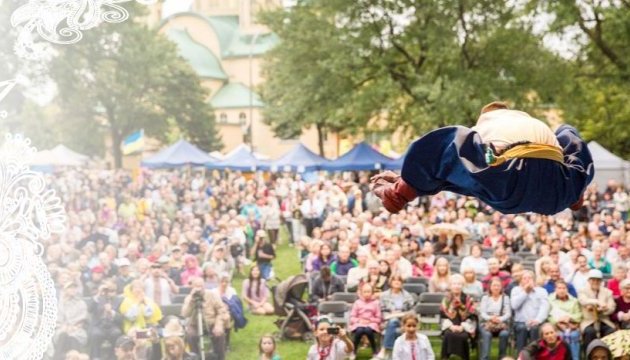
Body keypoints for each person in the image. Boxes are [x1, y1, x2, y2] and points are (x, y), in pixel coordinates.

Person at [371, 102, 593, 215]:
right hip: (559, 190)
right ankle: (576, 197)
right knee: (567, 133)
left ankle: (399, 193)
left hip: (510, 183)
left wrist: (410, 182)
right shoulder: (527, 121)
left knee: (452, 141)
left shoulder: (484, 127)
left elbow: (453, 163)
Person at [181, 276, 230, 360]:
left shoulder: (212, 295)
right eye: (196, 286)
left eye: (201, 286)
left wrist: (218, 324)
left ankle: (220, 357)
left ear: (204, 286)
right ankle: (196, 357)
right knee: (190, 335)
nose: (199, 288)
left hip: (211, 322)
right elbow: (185, 314)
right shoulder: (189, 298)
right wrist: (192, 300)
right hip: (195, 323)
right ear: (192, 287)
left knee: (219, 334)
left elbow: (222, 310)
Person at [511, 270, 550, 354]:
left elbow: (544, 308)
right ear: (521, 280)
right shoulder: (516, 290)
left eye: (530, 278)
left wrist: (538, 320)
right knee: (522, 328)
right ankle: (521, 356)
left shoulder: (542, 291)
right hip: (520, 322)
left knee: (535, 328)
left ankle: (535, 355)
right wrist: (525, 292)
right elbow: (514, 306)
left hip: (537, 321)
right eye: (525, 278)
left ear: (534, 280)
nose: (527, 280)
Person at [378, 275, 416, 359]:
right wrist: (392, 315)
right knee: (393, 321)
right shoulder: (384, 295)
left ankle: (384, 349)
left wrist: (400, 314)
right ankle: (392, 352)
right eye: (394, 280)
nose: (397, 282)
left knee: (394, 320)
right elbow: (382, 311)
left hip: (404, 321)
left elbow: (412, 311)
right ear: (390, 282)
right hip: (388, 321)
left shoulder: (407, 296)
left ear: (402, 283)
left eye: (399, 280)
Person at [440, 274, 476, 360]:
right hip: (450, 326)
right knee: (448, 334)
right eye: (454, 284)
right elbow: (442, 316)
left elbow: (472, 316)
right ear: (450, 286)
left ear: (462, 285)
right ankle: (445, 357)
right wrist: (451, 326)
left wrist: (462, 327)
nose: (456, 286)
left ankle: (464, 357)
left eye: (459, 284)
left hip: (465, 327)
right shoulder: (446, 300)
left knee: (463, 336)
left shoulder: (468, 299)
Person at [578, 269, 616, 347]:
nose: (595, 282)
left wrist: (604, 310)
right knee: (589, 332)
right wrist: (597, 302)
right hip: (589, 321)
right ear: (589, 281)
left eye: (598, 280)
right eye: (593, 280)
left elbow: (612, 307)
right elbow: (583, 301)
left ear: (601, 281)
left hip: (603, 320)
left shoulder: (608, 292)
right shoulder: (582, 290)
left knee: (610, 331)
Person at [87, 282, 123, 359]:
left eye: (112, 291)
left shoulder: (119, 300)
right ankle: (96, 357)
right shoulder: (98, 299)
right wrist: (99, 293)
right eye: (108, 291)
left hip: (112, 326)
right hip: (99, 325)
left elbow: (121, 319)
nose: (110, 293)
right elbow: (89, 309)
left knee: (116, 333)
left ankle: (113, 357)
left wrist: (111, 312)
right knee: (95, 334)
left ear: (115, 292)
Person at [548, 280, 582, 360]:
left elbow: (579, 315)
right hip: (557, 327)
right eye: (559, 288)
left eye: (564, 288)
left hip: (571, 326)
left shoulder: (574, 301)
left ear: (567, 290)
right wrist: (558, 321)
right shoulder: (550, 300)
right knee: (560, 336)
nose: (562, 290)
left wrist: (569, 317)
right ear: (555, 289)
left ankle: (575, 358)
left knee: (574, 335)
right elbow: (548, 316)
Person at [479, 277, 512, 360]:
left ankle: (502, 357)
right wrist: (491, 318)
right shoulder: (485, 298)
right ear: (490, 286)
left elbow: (508, 313)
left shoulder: (505, 298)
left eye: (498, 285)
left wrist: (500, 319)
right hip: (487, 323)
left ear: (501, 287)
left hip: (501, 323)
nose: (496, 287)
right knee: (487, 334)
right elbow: (482, 313)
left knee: (504, 334)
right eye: (494, 285)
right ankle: (484, 358)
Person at [54, 281, 88, 360]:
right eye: (70, 288)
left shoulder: (81, 303)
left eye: (74, 288)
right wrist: (63, 327)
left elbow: (82, 319)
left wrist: (73, 327)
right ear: (64, 290)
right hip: (61, 328)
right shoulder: (59, 303)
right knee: (63, 335)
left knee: (73, 337)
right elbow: (56, 319)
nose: (73, 290)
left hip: (77, 329)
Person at [349, 283, 382, 356]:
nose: (367, 294)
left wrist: (370, 320)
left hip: (371, 323)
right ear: (361, 293)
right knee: (359, 330)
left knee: (368, 330)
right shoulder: (357, 303)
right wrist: (359, 320)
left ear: (372, 292)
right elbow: (352, 317)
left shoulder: (376, 303)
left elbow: (379, 318)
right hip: (359, 323)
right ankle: (354, 350)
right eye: (365, 292)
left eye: (368, 292)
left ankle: (374, 350)